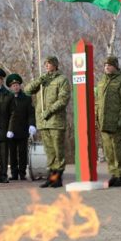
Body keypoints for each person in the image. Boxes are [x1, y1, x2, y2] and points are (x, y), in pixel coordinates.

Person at [24, 56, 70, 188]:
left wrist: (49, 111)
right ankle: (51, 176)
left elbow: (63, 100)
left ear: (55, 65)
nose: (47, 66)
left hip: (55, 121)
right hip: (43, 122)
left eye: (49, 63)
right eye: (45, 63)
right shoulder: (42, 80)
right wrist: (39, 80)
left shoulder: (62, 80)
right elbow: (27, 90)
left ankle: (57, 177)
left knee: (57, 151)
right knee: (49, 151)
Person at [95, 55, 121, 187]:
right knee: (108, 150)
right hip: (104, 122)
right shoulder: (101, 81)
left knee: (118, 149)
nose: (107, 67)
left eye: (109, 65)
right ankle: (113, 174)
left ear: (115, 67)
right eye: (105, 65)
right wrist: (96, 117)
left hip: (117, 122)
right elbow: (97, 101)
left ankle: (120, 175)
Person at [6, 73, 36, 181]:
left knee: (23, 153)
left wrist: (32, 125)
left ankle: (22, 173)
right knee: (12, 153)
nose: (16, 87)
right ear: (10, 87)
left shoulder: (26, 98)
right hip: (10, 131)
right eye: (13, 85)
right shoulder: (7, 98)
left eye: (17, 84)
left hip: (23, 129)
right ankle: (14, 173)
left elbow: (31, 113)